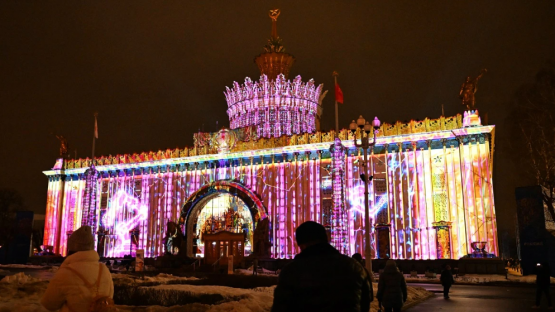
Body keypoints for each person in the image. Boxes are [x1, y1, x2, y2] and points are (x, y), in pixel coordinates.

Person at [272, 221, 372, 312]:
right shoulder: (355, 267)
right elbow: (365, 303)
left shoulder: (291, 271)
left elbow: (281, 307)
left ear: (301, 245)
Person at [41, 226, 114, 312]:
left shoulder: (66, 273)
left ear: (71, 248)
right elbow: (109, 296)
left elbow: (49, 304)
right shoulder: (104, 270)